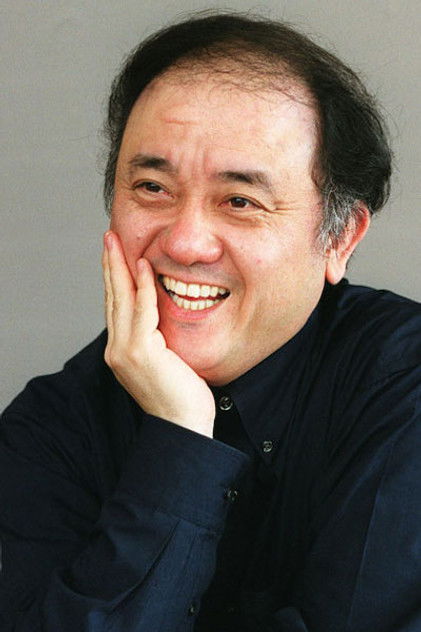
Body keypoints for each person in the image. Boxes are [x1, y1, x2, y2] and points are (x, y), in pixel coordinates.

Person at [1, 12, 420, 632]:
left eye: (240, 201)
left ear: (339, 239)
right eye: (152, 188)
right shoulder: (48, 431)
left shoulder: (403, 388)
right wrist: (180, 439)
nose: (185, 242)